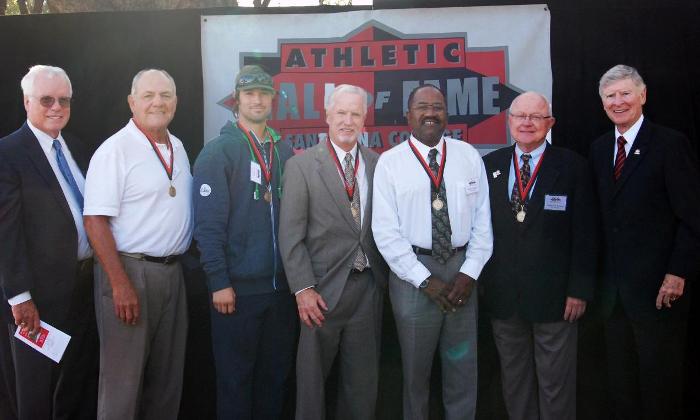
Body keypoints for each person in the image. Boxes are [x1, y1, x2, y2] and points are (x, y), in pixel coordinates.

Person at [372, 84, 493, 420]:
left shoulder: (468, 156)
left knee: (462, 369)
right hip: (412, 276)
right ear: (408, 116)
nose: (430, 113)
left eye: (437, 107)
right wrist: (424, 281)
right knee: (415, 373)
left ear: (447, 114)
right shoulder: (390, 163)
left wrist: (469, 273)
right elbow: (385, 232)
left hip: (461, 272)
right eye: (422, 107)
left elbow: (484, 223)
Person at [590, 64, 700, 420]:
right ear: (603, 103)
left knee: (660, 388)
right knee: (621, 388)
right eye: (610, 96)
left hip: (659, 292)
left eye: (625, 93)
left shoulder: (670, 144)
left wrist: (677, 272)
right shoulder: (599, 148)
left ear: (643, 96)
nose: (618, 102)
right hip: (612, 296)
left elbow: (692, 217)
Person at [83, 69, 193, 420]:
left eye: (165, 95)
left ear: (176, 102)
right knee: (122, 386)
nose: (157, 102)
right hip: (129, 273)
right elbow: (94, 221)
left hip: (173, 275)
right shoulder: (115, 149)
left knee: (167, 383)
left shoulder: (177, 146)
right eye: (148, 96)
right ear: (132, 102)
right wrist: (119, 283)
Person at [481, 92, 597, 420]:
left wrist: (579, 289)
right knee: (514, 381)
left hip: (557, 298)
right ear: (509, 121)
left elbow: (587, 234)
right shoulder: (491, 165)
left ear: (550, 124)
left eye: (536, 117)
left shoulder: (573, 166)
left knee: (555, 383)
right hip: (504, 297)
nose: (527, 123)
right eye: (520, 116)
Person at [193, 65, 297, 420]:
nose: (257, 99)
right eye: (249, 93)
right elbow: (207, 227)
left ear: (272, 100)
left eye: (263, 93)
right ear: (236, 100)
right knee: (236, 384)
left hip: (281, 291)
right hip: (235, 293)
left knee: (274, 381)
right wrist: (218, 281)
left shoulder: (284, 150)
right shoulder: (218, 152)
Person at [279, 84, 388, 420]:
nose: (347, 121)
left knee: (362, 386)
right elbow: (290, 234)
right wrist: (303, 289)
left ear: (364, 119)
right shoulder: (301, 167)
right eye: (341, 112)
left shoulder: (377, 163)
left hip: (368, 289)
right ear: (327, 115)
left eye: (355, 114)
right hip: (321, 293)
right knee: (312, 387)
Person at [0, 65, 98, 419]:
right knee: (36, 395)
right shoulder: (8, 153)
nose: (57, 107)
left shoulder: (76, 147)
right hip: (37, 301)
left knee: (74, 386)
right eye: (46, 100)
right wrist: (20, 297)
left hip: (83, 290)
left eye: (64, 100)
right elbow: (6, 233)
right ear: (27, 102)